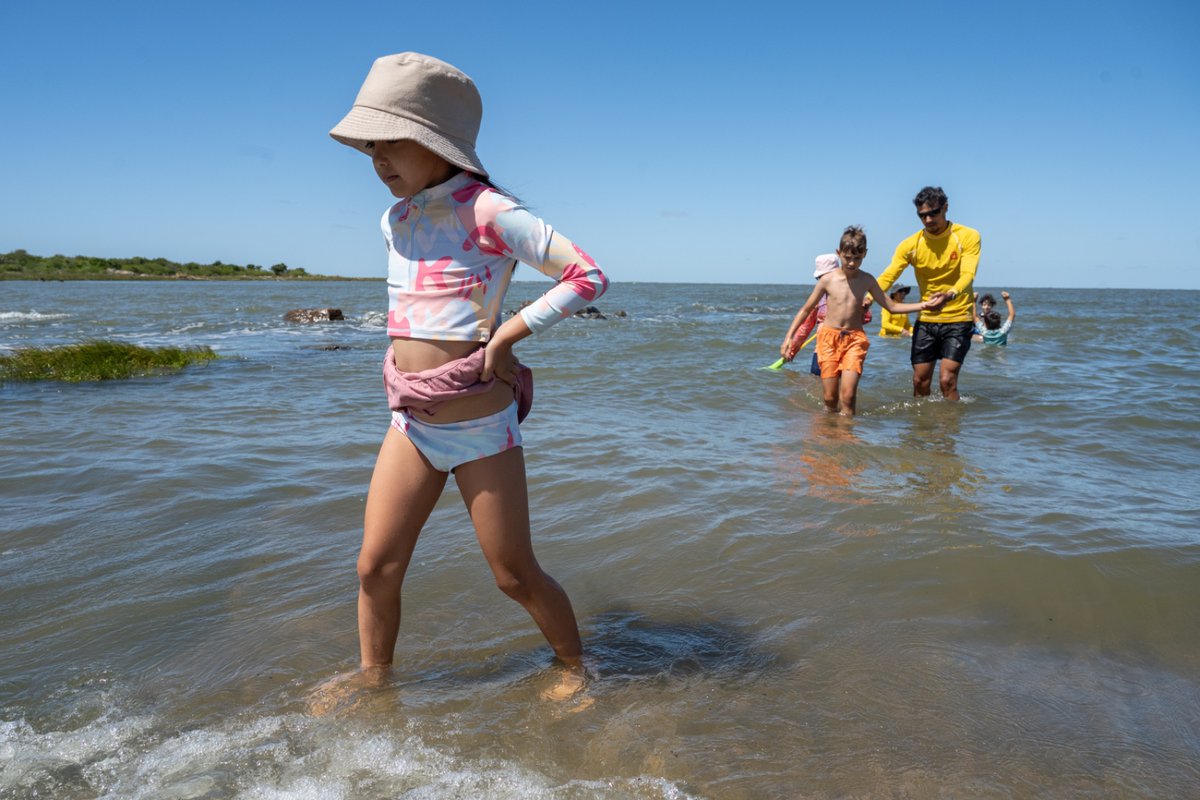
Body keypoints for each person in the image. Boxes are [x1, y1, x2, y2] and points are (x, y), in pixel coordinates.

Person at [327, 53, 608, 694]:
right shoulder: (394, 220)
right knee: (376, 565)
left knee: (512, 573)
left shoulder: (487, 211)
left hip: (481, 424)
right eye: (371, 146)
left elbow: (588, 275)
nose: (378, 160)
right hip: (411, 421)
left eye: (391, 143)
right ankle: (374, 685)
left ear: (436, 142)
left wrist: (508, 334)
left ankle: (575, 670)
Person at [780, 226, 928, 416]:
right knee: (829, 398)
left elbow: (891, 306)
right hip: (828, 339)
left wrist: (924, 305)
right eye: (847, 257)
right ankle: (827, 435)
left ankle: (846, 436)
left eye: (857, 258)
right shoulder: (827, 280)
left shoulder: (867, 280)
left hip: (854, 340)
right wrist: (788, 338)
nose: (851, 263)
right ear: (838, 253)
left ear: (865, 254)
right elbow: (806, 310)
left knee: (848, 396)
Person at [875, 186, 981, 400]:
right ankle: (922, 430)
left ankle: (950, 429)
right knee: (920, 381)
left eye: (933, 213)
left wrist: (950, 294)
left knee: (946, 380)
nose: (928, 220)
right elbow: (890, 274)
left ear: (945, 208)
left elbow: (968, 274)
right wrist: (867, 298)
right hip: (926, 319)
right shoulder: (910, 244)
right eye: (922, 215)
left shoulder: (968, 236)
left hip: (958, 318)